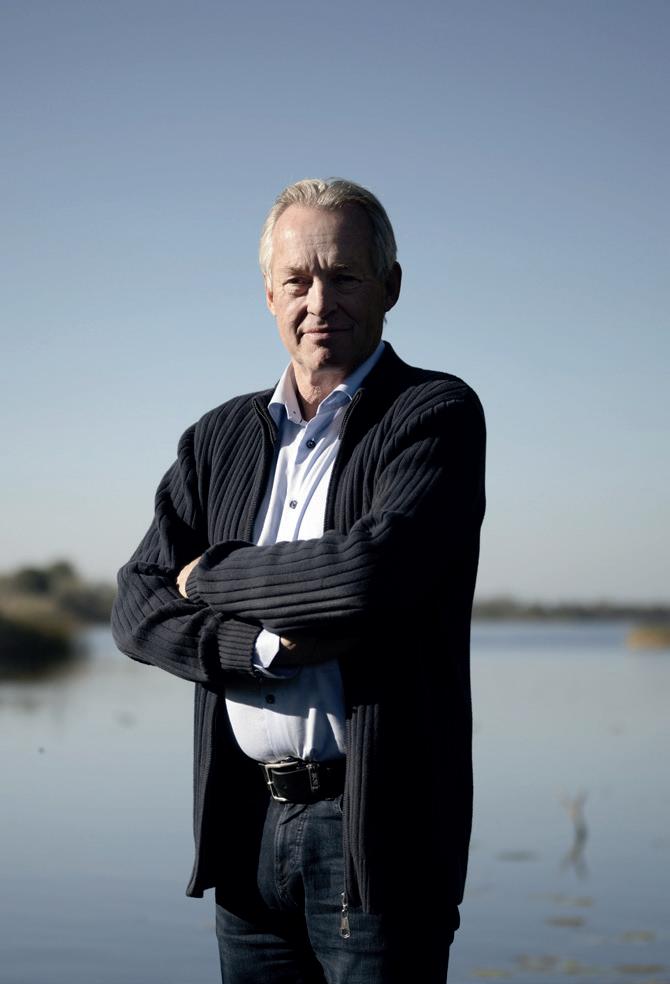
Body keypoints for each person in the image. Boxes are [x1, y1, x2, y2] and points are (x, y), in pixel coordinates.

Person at [111, 177, 486, 984]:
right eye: (298, 280)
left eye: (344, 276)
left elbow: (368, 570)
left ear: (390, 285)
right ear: (269, 295)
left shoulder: (435, 413)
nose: (320, 302)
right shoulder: (216, 438)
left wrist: (209, 573)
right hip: (245, 824)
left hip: (378, 834)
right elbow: (136, 604)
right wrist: (259, 650)